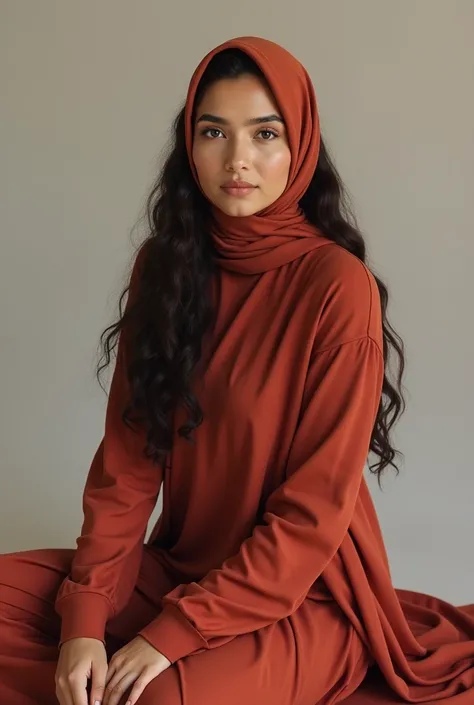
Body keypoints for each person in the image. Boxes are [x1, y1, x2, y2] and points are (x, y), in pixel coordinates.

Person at [0, 35, 473, 705]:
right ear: (189, 144)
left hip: (306, 593)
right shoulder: (164, 270)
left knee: (157, 698)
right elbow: (128, 465)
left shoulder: (338, 287)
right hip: (183, 566)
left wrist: (170, 635)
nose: (238, 159)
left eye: (265, 133)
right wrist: (84, 621)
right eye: (214, 131)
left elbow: (310, 517)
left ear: (300, 144)